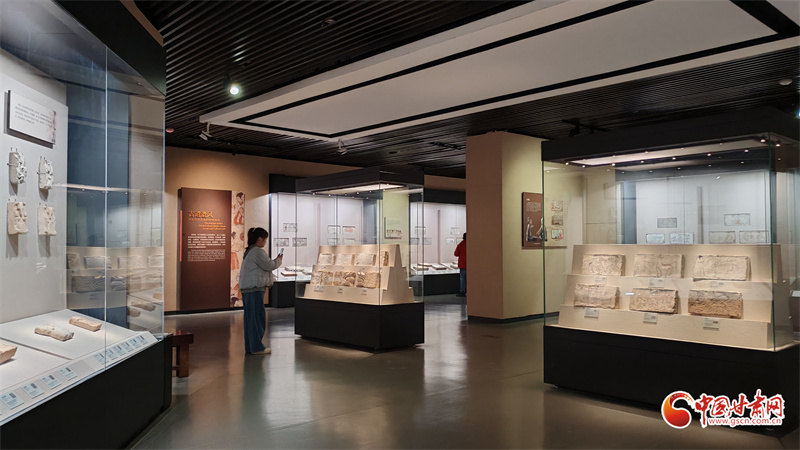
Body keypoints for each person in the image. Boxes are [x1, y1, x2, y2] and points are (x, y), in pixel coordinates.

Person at [238, 227, 282, 355]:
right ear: (259, 239)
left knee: (250, 319)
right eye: (265, 239)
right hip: (254, 290)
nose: (265, 242)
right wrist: (279, 259)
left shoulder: (250, 251)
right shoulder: (257, 251)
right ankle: (257, 348)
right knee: (257, 318)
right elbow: (270, 265)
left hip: (249, 289)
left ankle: (251, 347)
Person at [454, 233, 467, 297]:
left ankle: (462, 291)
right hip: (471, 264)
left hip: (463, 264)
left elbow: (456, 254)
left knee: (462, 278)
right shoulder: (472, 244)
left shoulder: (461, 244)